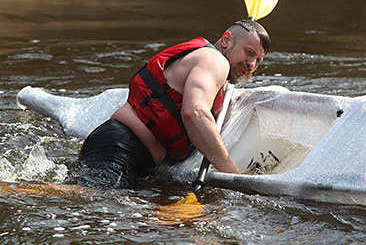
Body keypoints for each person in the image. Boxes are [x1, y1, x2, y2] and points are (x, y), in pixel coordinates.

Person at [69, 19, 270, 189]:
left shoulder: (215, 75)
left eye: (258, 60)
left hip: (134, 158)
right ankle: (36, 192)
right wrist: (232, 174)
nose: (252, 64)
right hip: (119, 149)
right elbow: (195, 112)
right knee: (86, 198)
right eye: (249, 52)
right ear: (226, 40)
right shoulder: (214, 61)